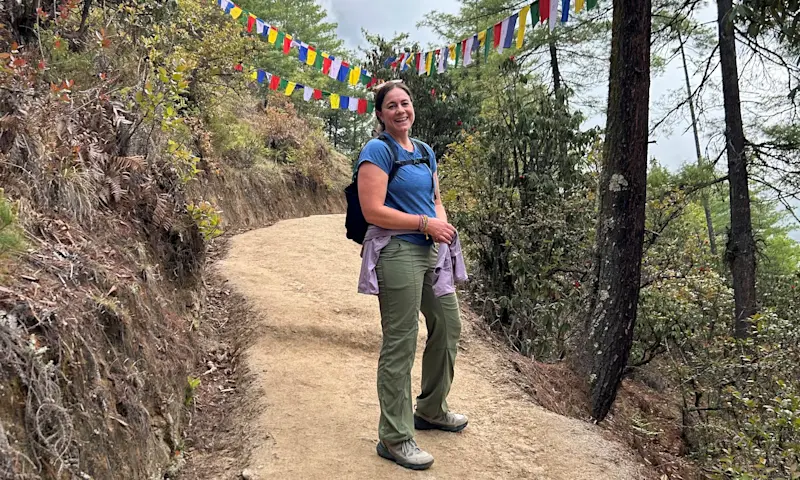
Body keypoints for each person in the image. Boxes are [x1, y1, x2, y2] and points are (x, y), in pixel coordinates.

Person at [355, 81, 468, 471]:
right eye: (391, 105)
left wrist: (442, 226)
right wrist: (424, 224)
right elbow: (373, 211)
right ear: (380, 114)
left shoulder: (423, 151)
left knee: (448, 325)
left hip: (431, 249)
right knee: (400, 342)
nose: (400, 110)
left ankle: (432, 409)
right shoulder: (376, 151)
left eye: (405, 103)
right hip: (397, 250)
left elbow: (436, 198)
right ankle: (395, 437)